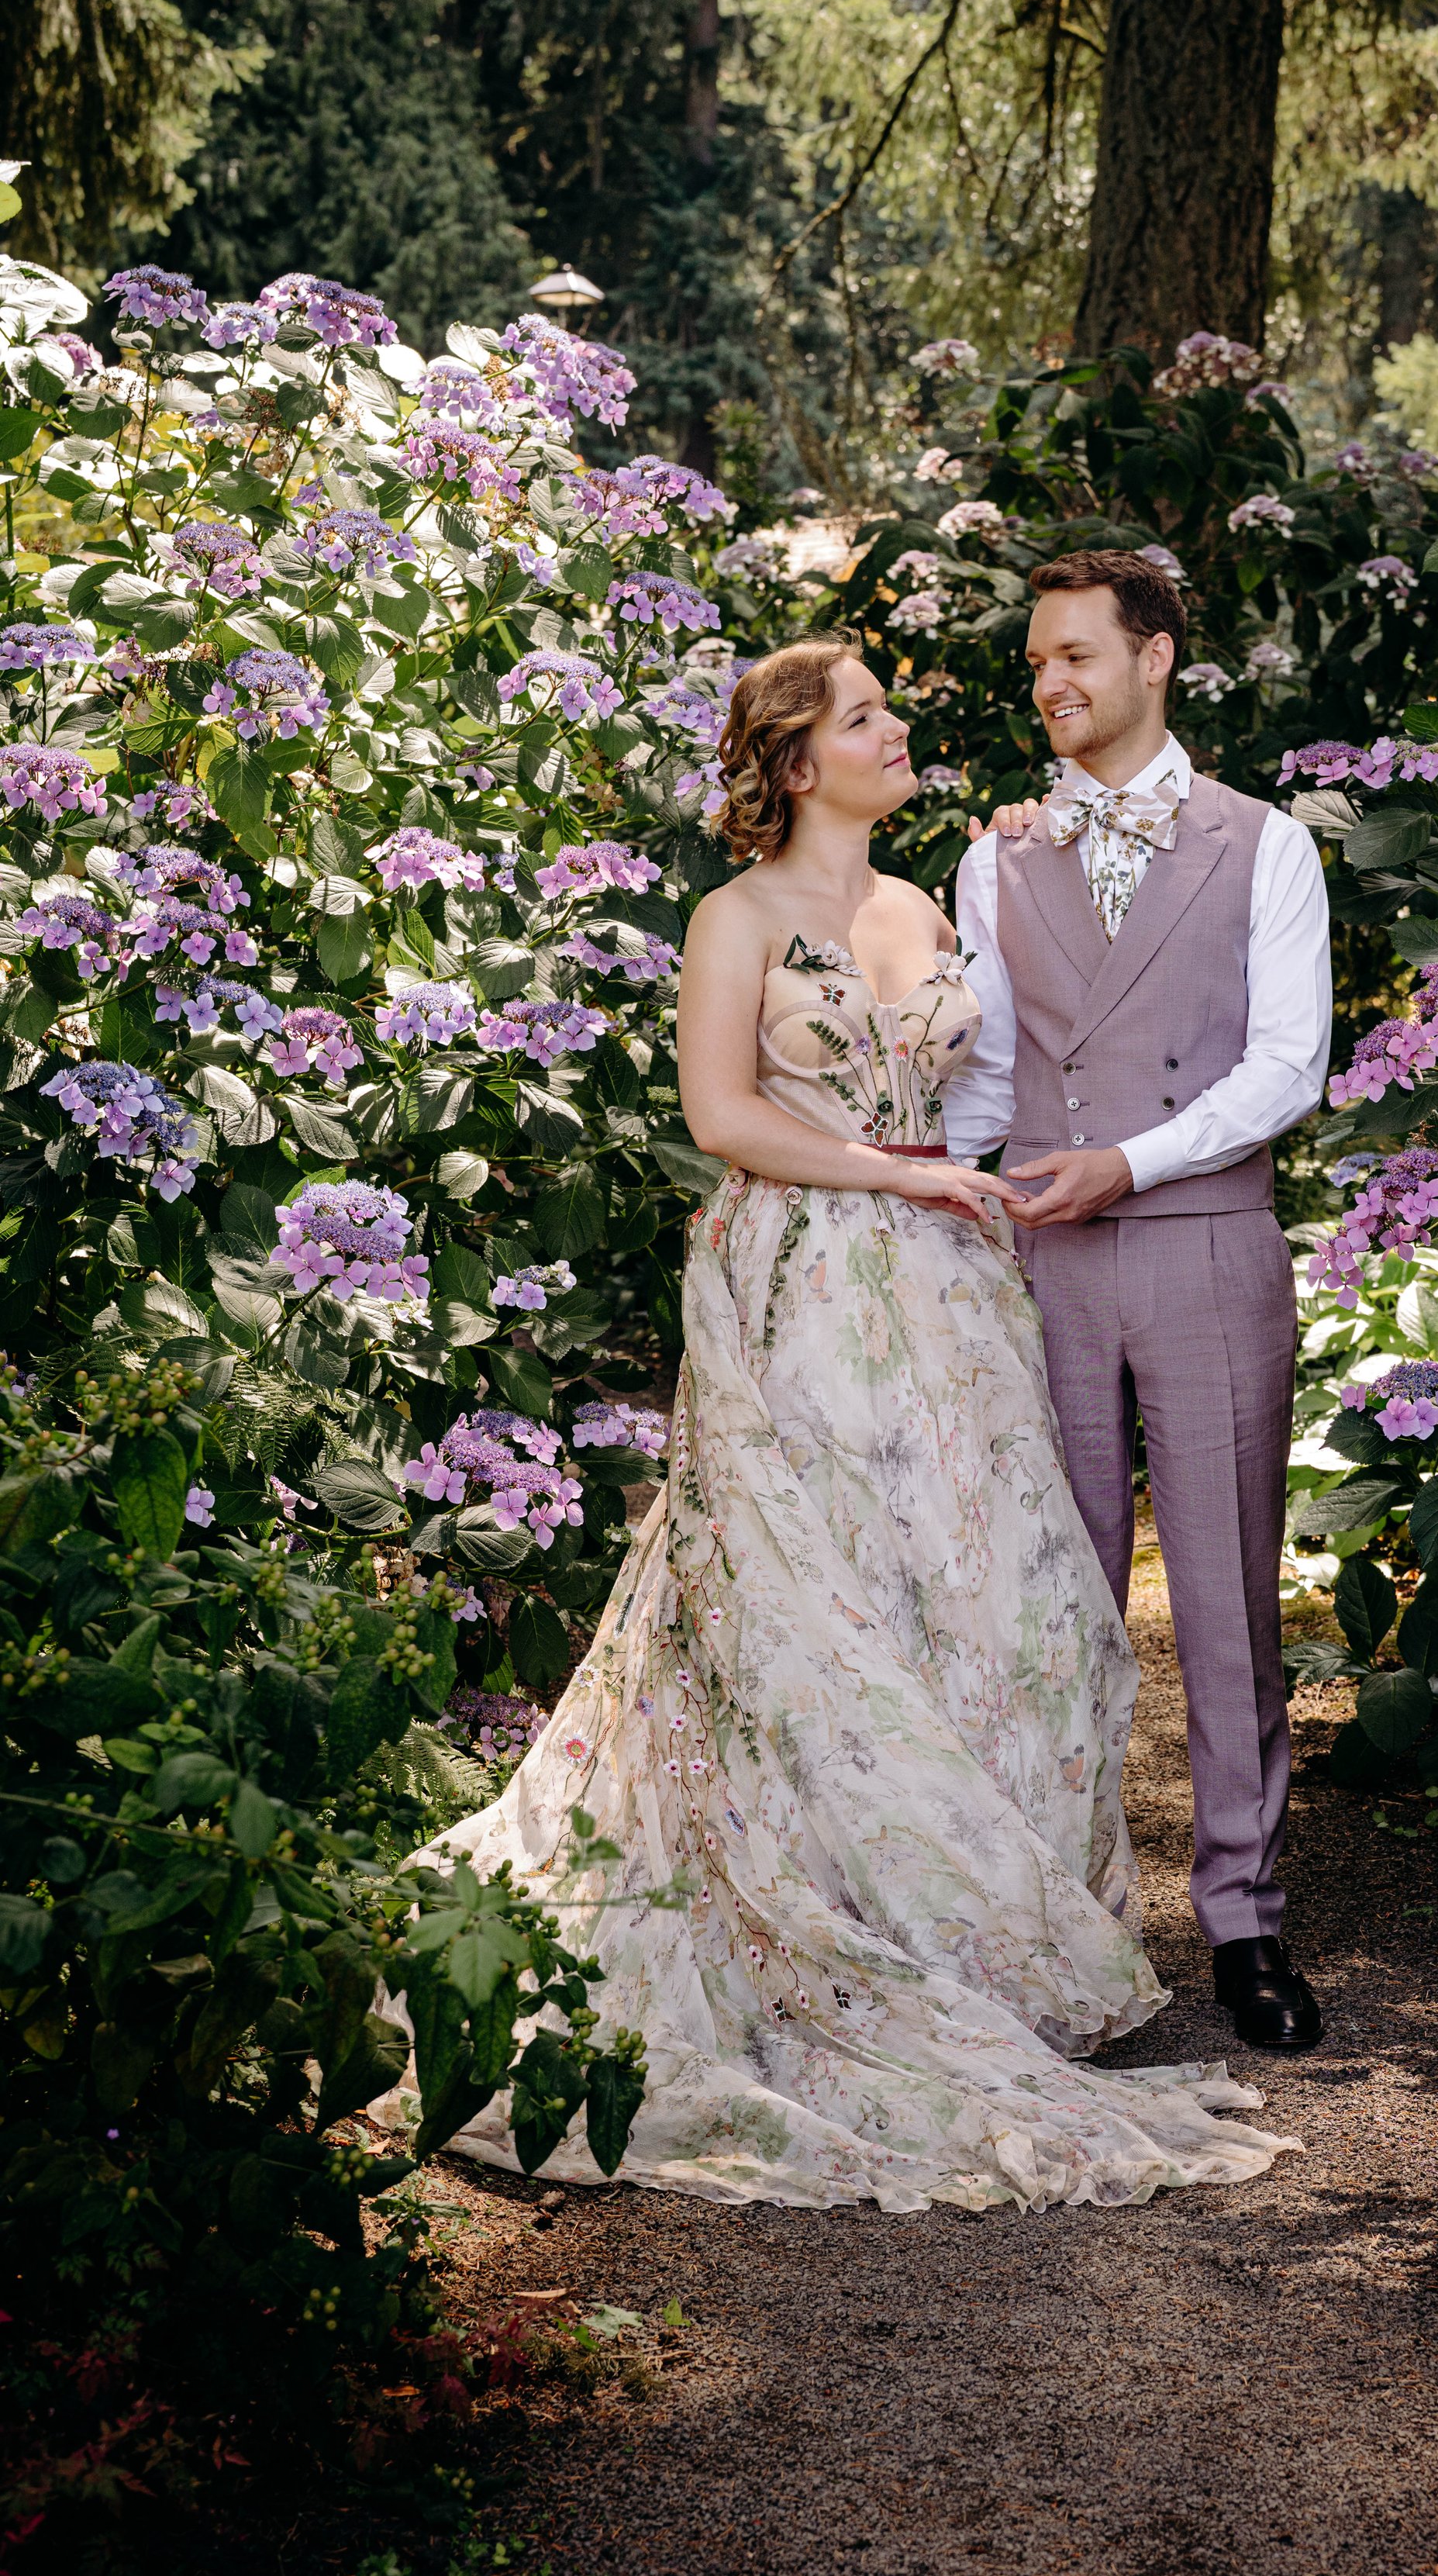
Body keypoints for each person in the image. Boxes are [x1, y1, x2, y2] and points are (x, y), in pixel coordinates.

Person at [406, 634, 1295, 2210]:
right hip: (802, 1275)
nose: (900, 730)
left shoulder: (934, 903)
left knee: (991, 1602)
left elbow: (989, 1084)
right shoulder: (735, 916)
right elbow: (722, 1115)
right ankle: (816, 1922)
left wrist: (962, 1181)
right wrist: (895, 1176)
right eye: (866, 715)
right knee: (808, 1598)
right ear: (797, 759)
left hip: (952, 1291)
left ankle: (967, 1934)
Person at [946, 549, 1333, 2051]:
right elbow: (988, 1079)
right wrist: (913, 1186)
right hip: (1043, 1253)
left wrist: (1133, 1161)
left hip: (1204, 1241)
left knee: (1227, 1597)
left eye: (1075, 656)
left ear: (1154, 656)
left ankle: (1242, 1921)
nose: (1049, 683)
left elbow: (1286, 1067)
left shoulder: (1266, 846)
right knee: (1054, 1594)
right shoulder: (996, 860)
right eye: (1036, 663)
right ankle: (1063, 1911)